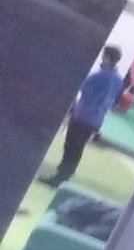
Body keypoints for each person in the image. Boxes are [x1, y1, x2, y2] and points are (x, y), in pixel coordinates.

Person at [40, 45, 124, 188]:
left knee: (71, 145)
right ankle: (66, 171)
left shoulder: (99, 76)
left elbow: (85, 89)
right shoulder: (118, 80)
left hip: (83, 114)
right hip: (96, 118)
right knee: (78, 146)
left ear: (107, 57)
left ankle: (61, 175)